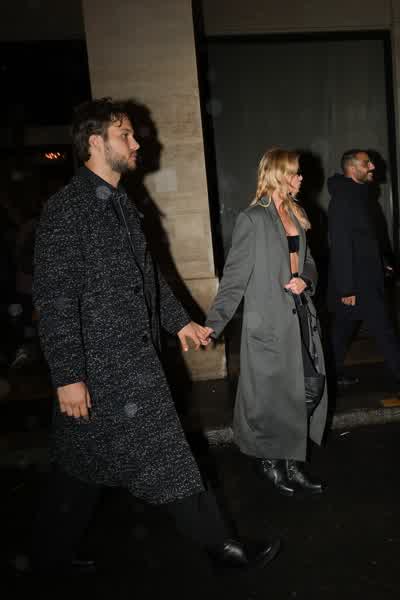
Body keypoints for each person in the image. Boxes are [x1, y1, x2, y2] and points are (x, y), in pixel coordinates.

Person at [28, 98, 280, 577]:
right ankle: (221, 546)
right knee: (168, 456)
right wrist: (68, 376)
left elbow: (148, 280)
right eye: (125, 134)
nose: (136, 142)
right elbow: (56, 300)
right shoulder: (67, 211)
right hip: (105, 369)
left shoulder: (120, 205)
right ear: (96, 142)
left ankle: (47, 557)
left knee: (77, 469)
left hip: (128, 361)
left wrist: (179, 322)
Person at [204, 148, 328, 496]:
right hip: (270, 322)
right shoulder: (253, 219)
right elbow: (234, 278)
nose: (300, 178)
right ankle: (274, 461)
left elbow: (310, 262)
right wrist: (214, 323)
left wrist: (305, 279)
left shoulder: (297, 213)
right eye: (295, 172)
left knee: (310, 387)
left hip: (301, 313)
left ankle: (288, 458)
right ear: (278, 174)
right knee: (275, 396)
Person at [327, 149, 400, 389]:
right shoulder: (344, 199)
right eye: (366, 163)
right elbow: (341, 244)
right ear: (351, 168)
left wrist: (382, 261)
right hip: (358, 282)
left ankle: (329, 375)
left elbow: (364, 239)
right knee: (384, 329)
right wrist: (346, 288)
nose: (372, 167)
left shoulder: (359, 195)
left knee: (342, 332)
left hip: (366, 277)